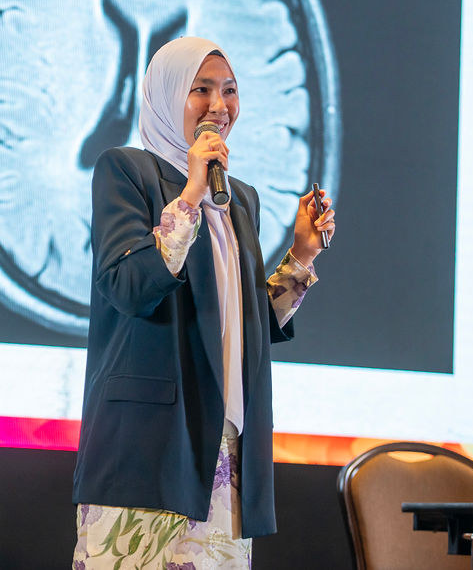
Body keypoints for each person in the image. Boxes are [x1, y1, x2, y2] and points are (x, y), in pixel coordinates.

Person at [71, 37, 335, 569]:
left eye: (230, 91)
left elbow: (249, 326)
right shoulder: (126, 171)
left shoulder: (241, 200)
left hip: (226, 458)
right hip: (145, 452)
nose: (219, 106)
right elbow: (128, 284)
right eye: (202, 90)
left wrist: (302, 255)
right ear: (169, 95)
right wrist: (190, 194)